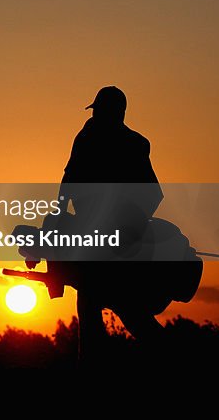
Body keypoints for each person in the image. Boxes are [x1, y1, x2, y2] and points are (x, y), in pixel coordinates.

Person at [57, 86, 164, 361]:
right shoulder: (118, 141)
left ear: (114, 112)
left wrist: (130, 229)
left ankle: (93, 365)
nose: (97, 116)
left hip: (112, 244)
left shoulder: (125, 143)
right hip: (101, 240)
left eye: (101, 110)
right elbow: (68, 181)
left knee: (105, 301)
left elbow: (151, 195)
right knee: (112, 304)